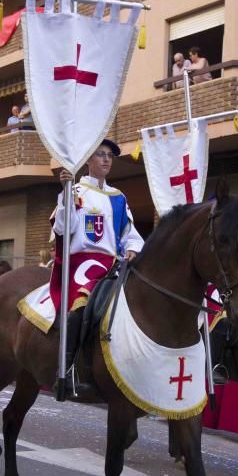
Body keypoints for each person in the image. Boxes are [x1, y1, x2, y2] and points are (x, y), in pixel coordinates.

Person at [50, 139, 144, 399]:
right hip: (83, 262)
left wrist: (134, 248)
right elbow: (62, 228)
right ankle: (66, 371)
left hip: (113, 262)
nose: (105, 160)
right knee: (82, 301)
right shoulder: (76, 190)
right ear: (88, 161)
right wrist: (66, 192)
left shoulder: (118, 197)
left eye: (109, 157)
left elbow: (130, 234)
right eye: (100, 155)